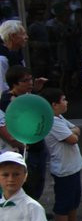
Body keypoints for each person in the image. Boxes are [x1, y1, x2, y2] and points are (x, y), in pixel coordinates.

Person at [1, 66, 48, 200]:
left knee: (39, 180)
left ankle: (36, 207)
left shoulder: (27, 96)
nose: (30, 83)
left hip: (37, 145)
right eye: (25, 81)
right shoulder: (8, 101)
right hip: (26, 149)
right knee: (29, 183)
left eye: (30, 79)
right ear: (14, 84)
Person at [40, 89, 82, 221]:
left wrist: (73, 131)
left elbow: (76, 129)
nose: (66, 102)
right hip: (64, 169)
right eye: (63, 100)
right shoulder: (53, 122)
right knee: (64, 203)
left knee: (74, 201)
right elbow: (73, 139)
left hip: (72, 166)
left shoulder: (59, 118)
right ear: (54, 104)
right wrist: (73, 132)